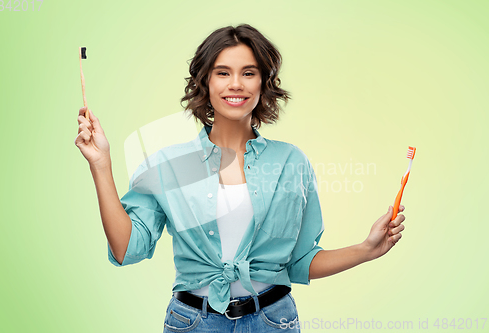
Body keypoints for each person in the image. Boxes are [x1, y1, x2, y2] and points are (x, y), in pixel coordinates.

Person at [75, 24, 405, 332]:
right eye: (223, 73)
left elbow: (301, 262)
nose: (236, 84)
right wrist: (101, 165)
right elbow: (126, 249)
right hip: (193, 322)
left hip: (274, 320)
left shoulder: (290, 162)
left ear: (264, 83)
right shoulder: (169, 165)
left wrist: (367, 249)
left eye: (249, 73)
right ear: (205, 82)